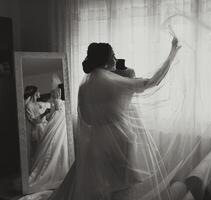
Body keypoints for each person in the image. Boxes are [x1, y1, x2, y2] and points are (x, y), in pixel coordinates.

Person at [46, 36, 181, 200]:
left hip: (95, 142)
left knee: (99, 188)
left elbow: (87, 118)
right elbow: (153, 81)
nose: (116, 59)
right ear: (105, 61)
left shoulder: (85, 84)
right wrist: (172, 53)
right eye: (113, 56)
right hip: (119, 139)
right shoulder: (111, 81)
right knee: (120, 189)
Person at [24, 86, 70, 192]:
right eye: (38, 91)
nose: (40, 93)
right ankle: (38, 171)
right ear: (34, 93)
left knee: (44, 149)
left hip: (44, 127)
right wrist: (45, 113)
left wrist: (49, 112)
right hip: (37, 129)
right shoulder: (28, 105)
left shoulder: (39, 103)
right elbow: (35, 121)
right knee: (40, 150)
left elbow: (49, 113)